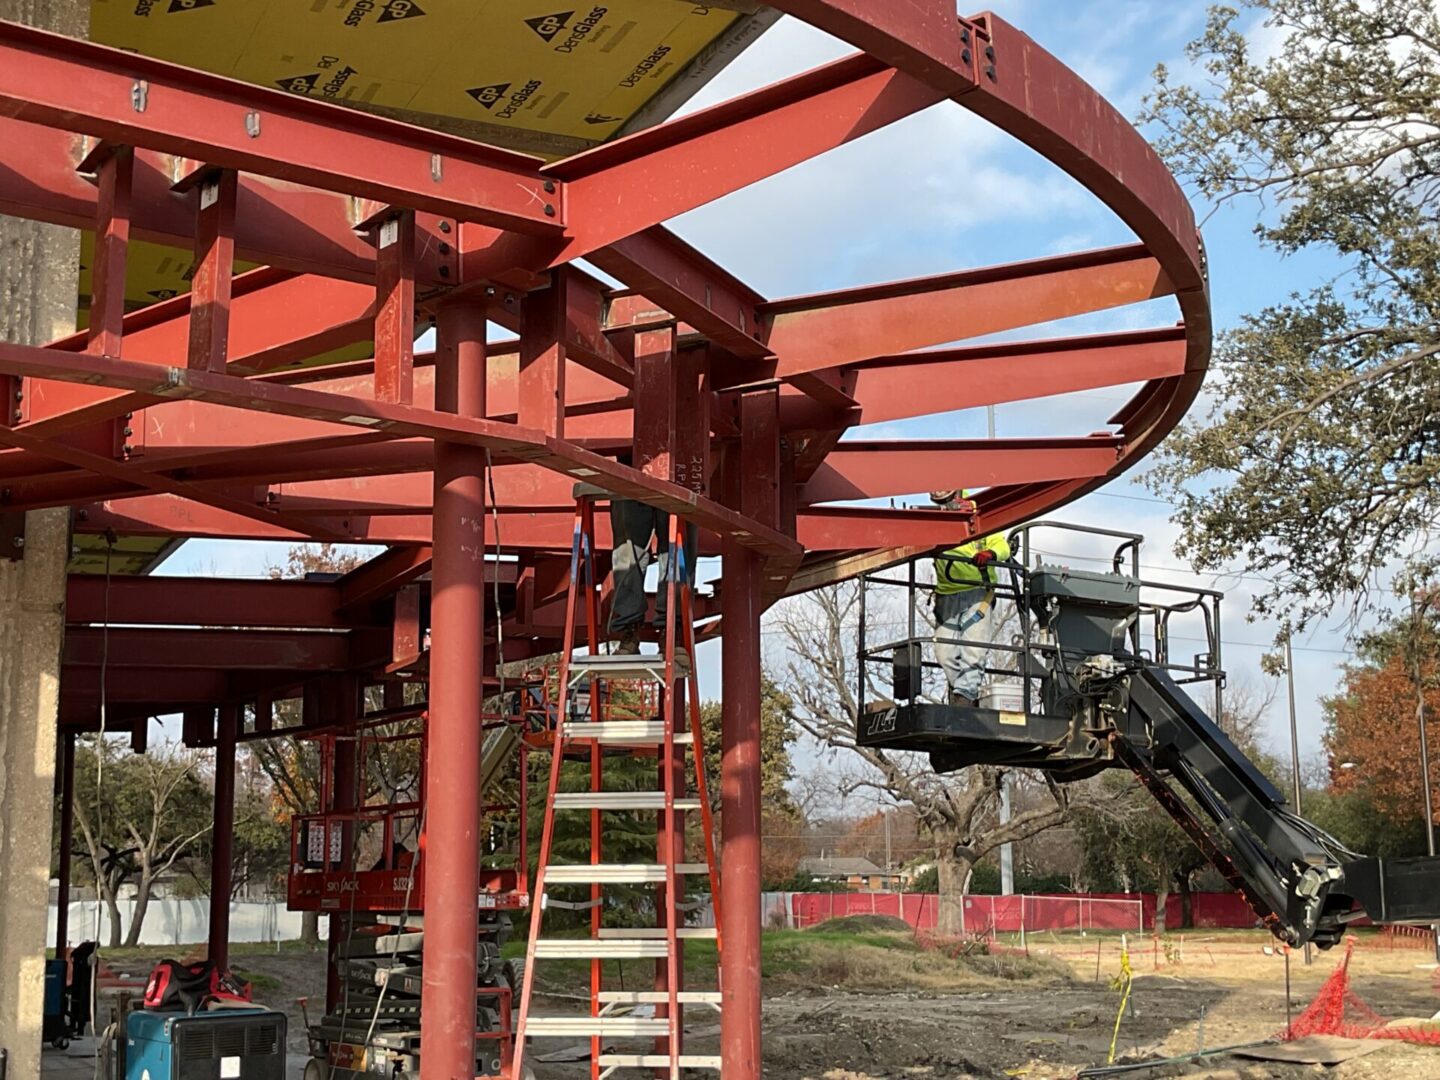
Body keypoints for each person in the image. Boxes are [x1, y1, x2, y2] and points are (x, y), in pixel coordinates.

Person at [930, 490, 1011, 705]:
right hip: (946, 593)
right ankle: (965, 695)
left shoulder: (976, 511)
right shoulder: (931, 516)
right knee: (944, 652)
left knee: (974, 649)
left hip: (977, 592)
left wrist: (990, 555)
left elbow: (1001, 544)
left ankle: (964, 697)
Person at [609, 499, 697, 654]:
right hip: (631, 479)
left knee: (678, 542)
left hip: (676, 481)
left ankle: (671, 629)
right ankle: (630, 628)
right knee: (628, 547)